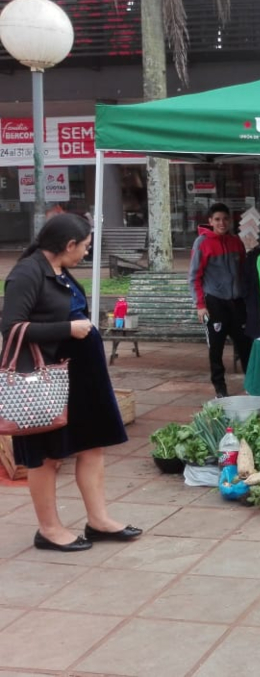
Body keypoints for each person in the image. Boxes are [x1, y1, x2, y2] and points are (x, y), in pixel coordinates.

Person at [1, 213, 141, 552]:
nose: (86, 253)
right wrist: (68, 329)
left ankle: (98, 520)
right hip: (45, 382)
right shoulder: (27, 273)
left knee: (92, 446)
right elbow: (12, 328)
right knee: (46, 457)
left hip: (81, 377)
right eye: (85, 247)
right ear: (68, 245)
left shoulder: (61, 270)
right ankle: (49, 529)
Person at [188, 202, 253, 399]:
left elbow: (243, 271)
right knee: (216, 348)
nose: (222, 223)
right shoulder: (202, 242)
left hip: (237, 302)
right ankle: (220, 388)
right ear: (210, 222)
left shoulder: (236, 242)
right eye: (217, 219)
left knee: (245, 345)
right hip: (214, 303)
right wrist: (200, 305)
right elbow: (194, 277)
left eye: (225, 219)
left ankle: (251, 384)